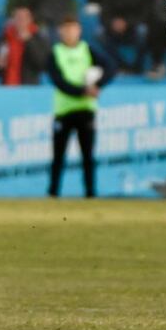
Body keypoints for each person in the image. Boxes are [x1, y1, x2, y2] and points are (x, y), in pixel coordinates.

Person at [47, 16, 116, 198]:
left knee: (88, 155)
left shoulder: (87, 49)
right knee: (58, 156)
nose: (70, 33)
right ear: (60, 31)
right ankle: (53, 193)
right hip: (63, 110)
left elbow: (110, 68)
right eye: (66, 29)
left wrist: (98, 85)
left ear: (79, 30)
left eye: (73, 29)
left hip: (86, 109)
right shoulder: (55, 52)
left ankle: (90, 193)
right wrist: (83, 91)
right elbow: (59, 81)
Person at [100, 0, 155, 73]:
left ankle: (138, 65)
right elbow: (104, 13)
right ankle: (121, 65)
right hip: (115, 29)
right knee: (99, 33)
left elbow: (148, 14)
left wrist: (128, 23)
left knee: (143, 31)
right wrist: (112, 23)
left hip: (135, 28)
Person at [0, 5, 49, 85]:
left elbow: (42, 64)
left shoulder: (38, 38)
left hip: (29, 88)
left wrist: (29, 41)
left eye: (24, 18)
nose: (21, 21)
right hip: (7, 87)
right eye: (18, 17)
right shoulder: (4, 39)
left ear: (30, 19)